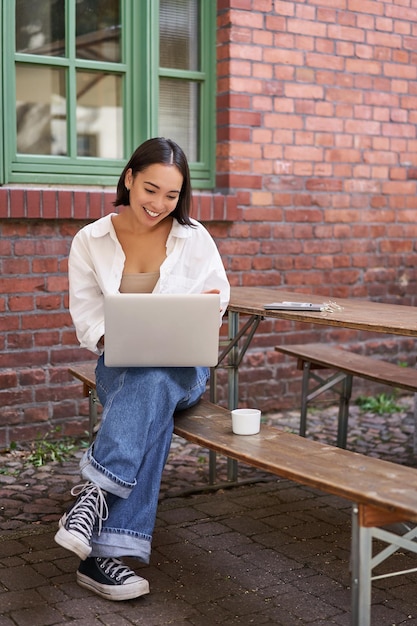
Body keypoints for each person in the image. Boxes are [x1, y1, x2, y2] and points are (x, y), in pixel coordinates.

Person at [55, 137, 230, 601]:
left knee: (156, 377)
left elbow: (219, 298)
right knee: (147, 390)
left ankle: (93, 499)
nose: (158, 204)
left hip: (183, 369)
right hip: (120, 363)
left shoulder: (194, 238)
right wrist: (124, 338)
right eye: (151, 189)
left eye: (171, 195)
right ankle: (103, 551)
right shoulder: (89, 241)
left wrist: (205, 310)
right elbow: (88, 317)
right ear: (129, 178)